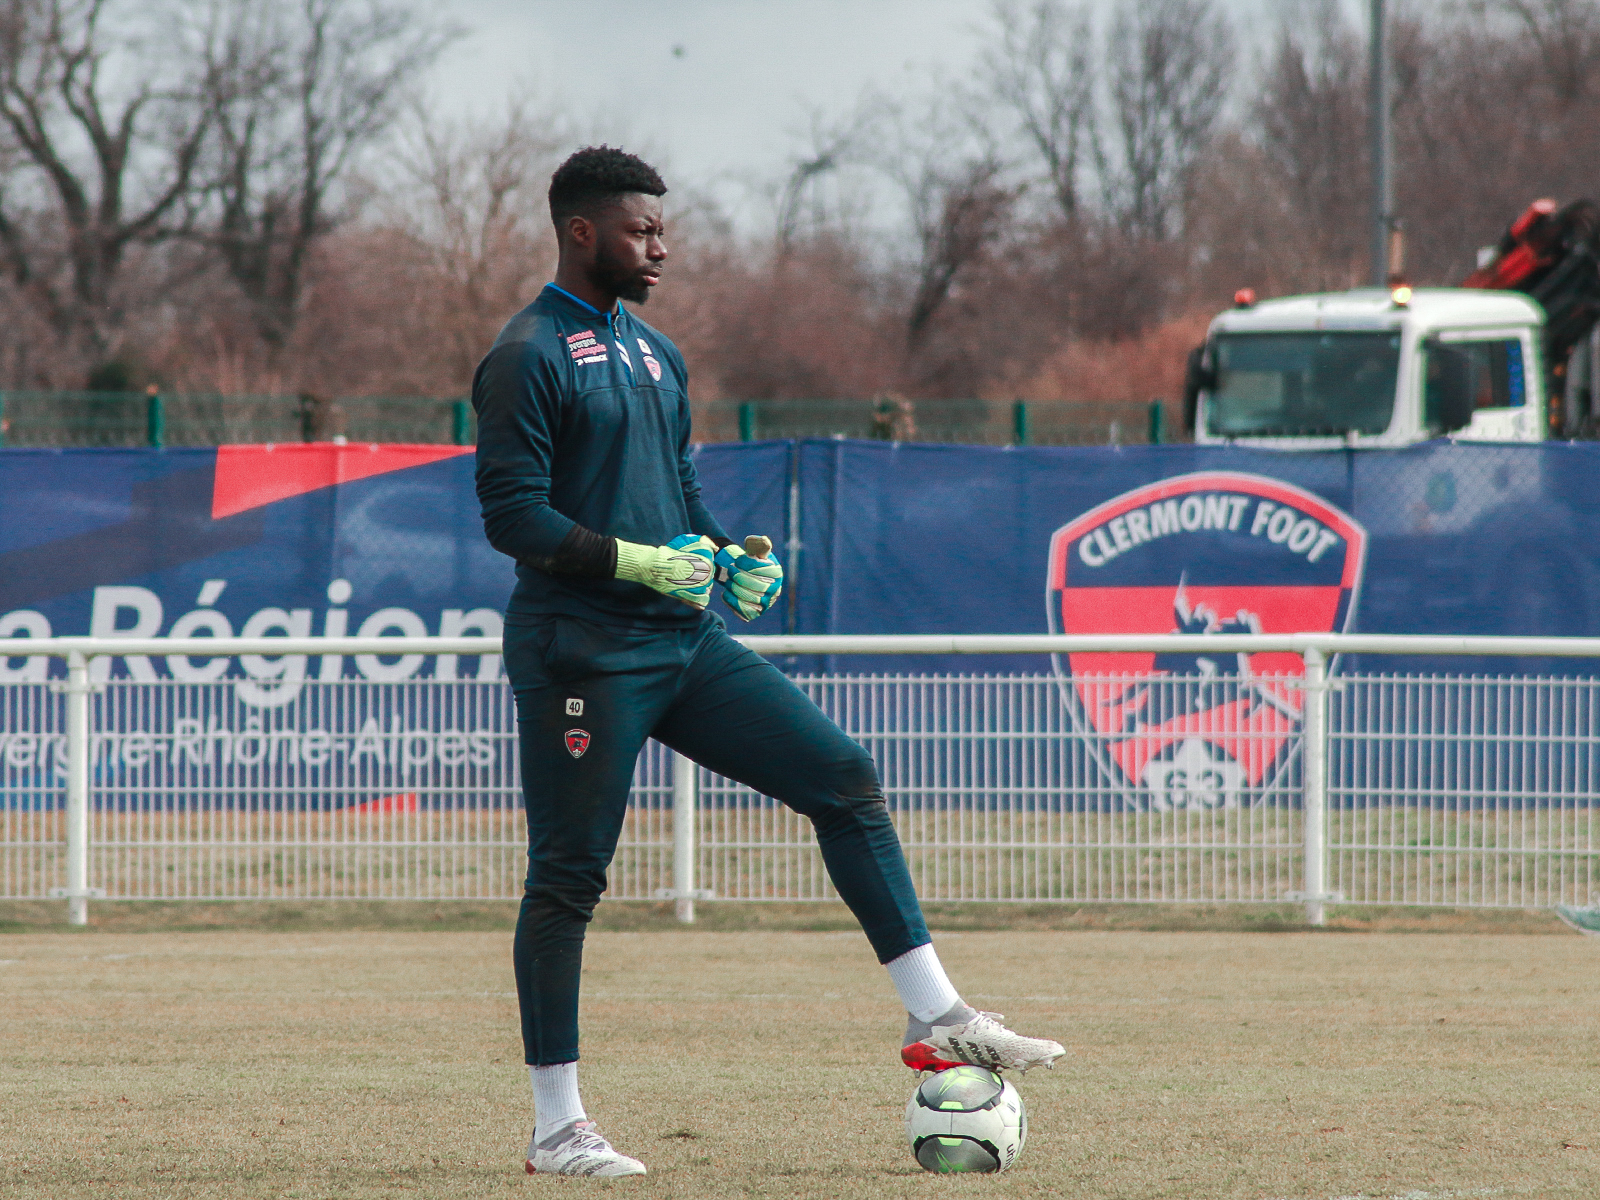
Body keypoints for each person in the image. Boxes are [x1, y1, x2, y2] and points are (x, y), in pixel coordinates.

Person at [471, 145, 1065, 1179]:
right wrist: (634, 561)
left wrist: (730, 559)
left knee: (842, 776)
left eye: (663, 229)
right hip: (584, 656)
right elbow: (511, 515)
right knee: (569, 879)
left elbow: (682, 498)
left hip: (682, 641)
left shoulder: (657, 353)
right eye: (640, 231)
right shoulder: (527, 354)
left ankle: (937, 1014)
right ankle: (556, 1128)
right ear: (580, 232)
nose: (660, 246)